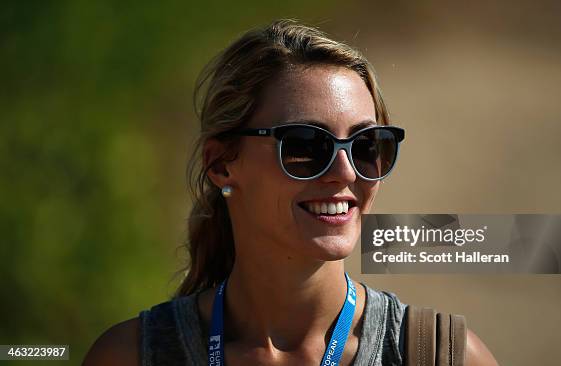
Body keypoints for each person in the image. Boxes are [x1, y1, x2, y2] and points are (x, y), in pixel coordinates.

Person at [84, 19, 499, 366]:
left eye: (367, 146)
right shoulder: (132, 356)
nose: (344, 171)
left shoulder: (444, 356)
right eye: (304, 146)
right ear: (221, 164)